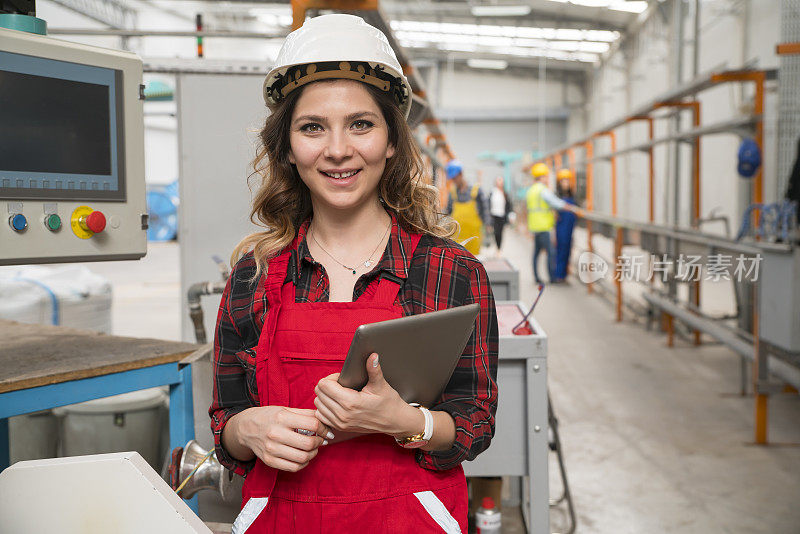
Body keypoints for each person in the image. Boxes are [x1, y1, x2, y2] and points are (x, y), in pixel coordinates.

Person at [209, 14, 498, 533]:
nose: (338, 150)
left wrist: (404, 422)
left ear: (391, 142)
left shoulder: (449, 272)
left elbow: (476, 418)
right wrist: (248, 430)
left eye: (361, 124)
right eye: (312, 127)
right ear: (288, 148)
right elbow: (226, 421)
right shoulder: (253, 278)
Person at [526, 162, 570, 284]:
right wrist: (567, 206)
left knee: (536, 253)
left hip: (534, 226)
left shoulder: (531, 190)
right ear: (542, 176)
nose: (547, 179)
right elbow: (555, 202)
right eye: (546, 176)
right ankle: (552, 278)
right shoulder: (542, 190)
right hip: (543, 226)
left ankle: (536, 277)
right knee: (551, 252)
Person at [445, 160, 487, 255]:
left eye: (455, 178)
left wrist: (488, 226)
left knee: (474, 262)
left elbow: (485, 210)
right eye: (452, 179)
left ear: (461, 174)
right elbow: (448, 212)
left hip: (474, 236)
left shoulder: (476, 191)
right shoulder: (452, 193)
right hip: (457, 237)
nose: (454, 181)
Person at [553, 169, 578, 282]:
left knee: (567, 251)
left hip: (570, 229)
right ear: (559, 183)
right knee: (560, 252)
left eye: (567, 181)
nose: (565, 183)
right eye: (563, 181)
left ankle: (564, 275)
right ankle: (558, 275)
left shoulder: (572, 196)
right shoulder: (556, 197)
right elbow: (554, 214)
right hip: (561, 229)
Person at [488, 176, 512, 257]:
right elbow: (488, 204)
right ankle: (497, 248)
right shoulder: (492, 192)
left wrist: (510, 216)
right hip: (494, 215)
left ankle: (499, 249)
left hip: (502, 216)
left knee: (501, 232)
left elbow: (508, 206)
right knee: (496, 232)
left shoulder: (505, 193)